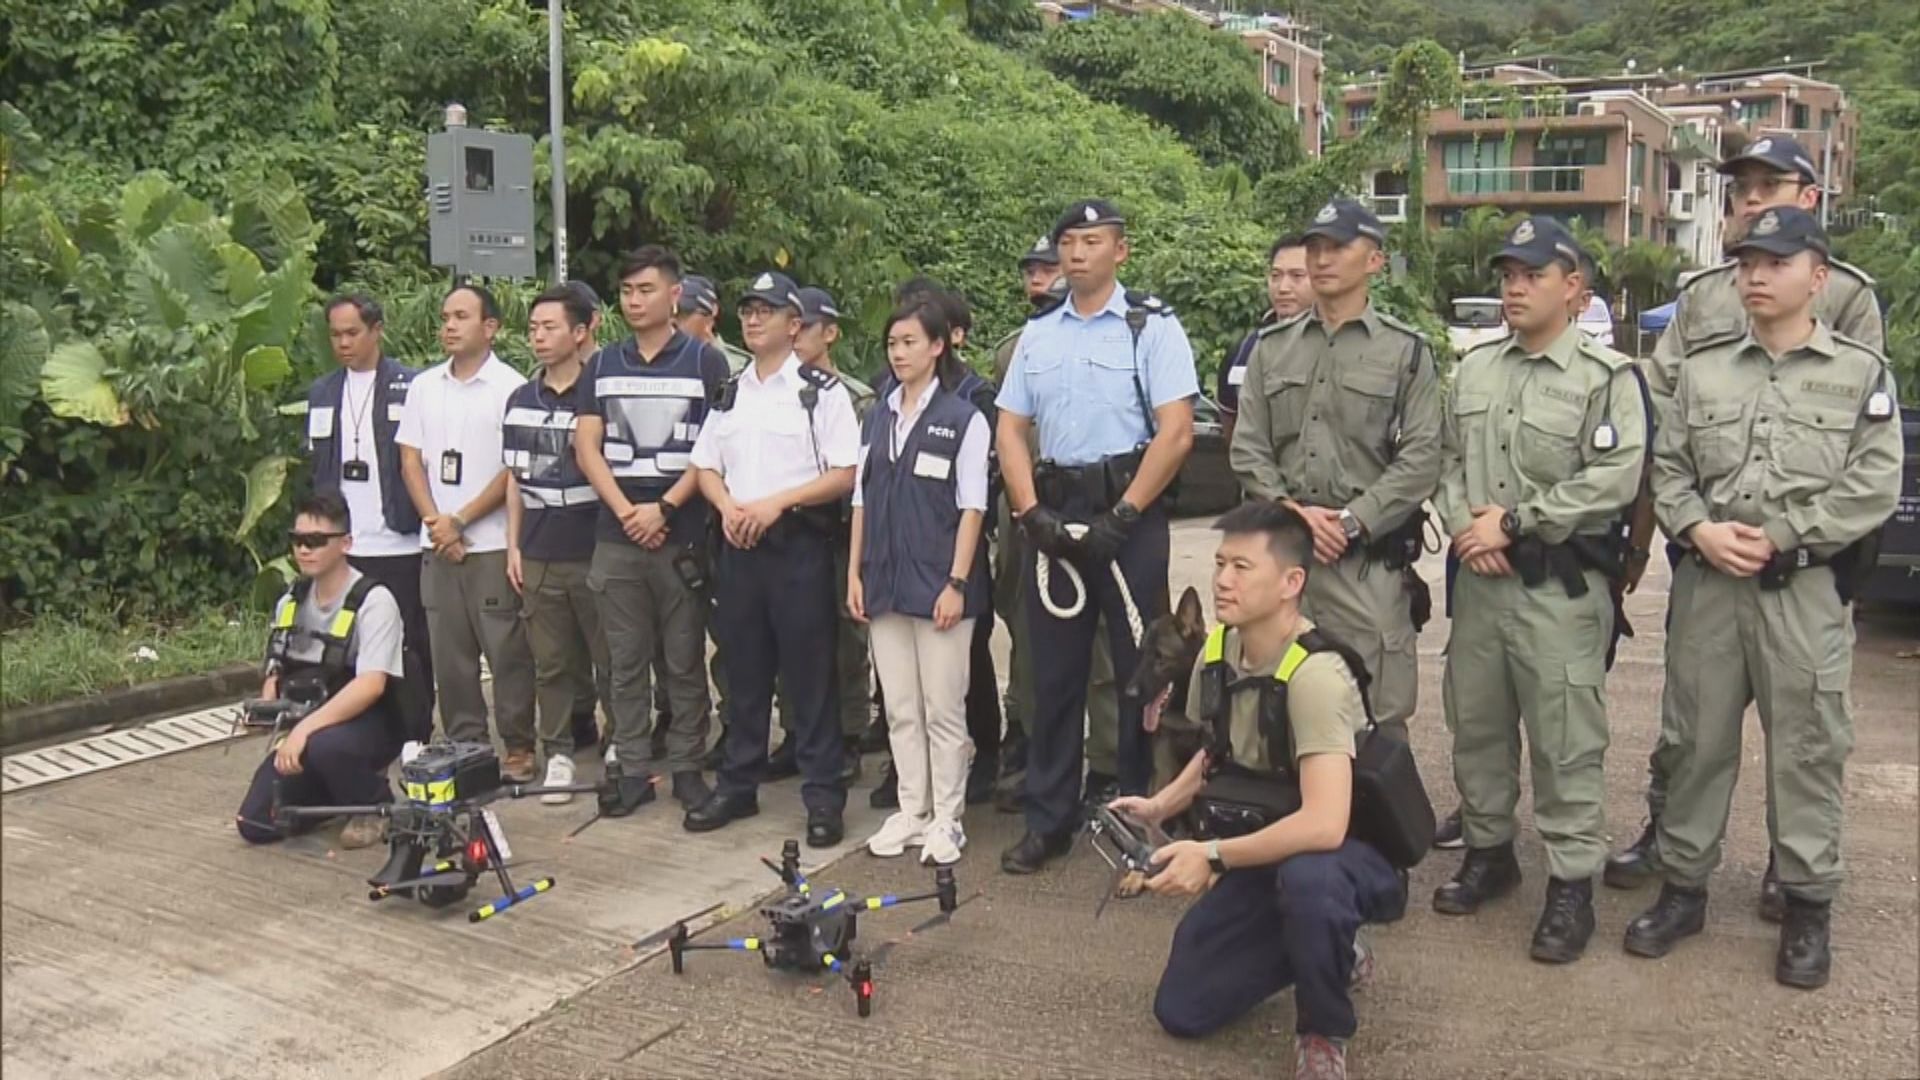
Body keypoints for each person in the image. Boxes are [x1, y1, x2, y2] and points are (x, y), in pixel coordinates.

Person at [1625, 207, 1900, 989]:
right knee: (1695, 741)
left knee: (1808, 746)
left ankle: (1807, 904)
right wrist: (1697, 529)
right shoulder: (1704, 369)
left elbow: (1874, 482)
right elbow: (1668, 467)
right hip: (1711, 584)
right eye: (1747, 262)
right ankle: (1684, 889)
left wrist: (1783, 533)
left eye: (1776, 262)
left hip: (1802, 590)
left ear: (1819, 277)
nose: (1755, 275)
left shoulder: (1859, 374)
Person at [1113, 501, 1404, 1080]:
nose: (1223, 580)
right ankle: (1319, 946)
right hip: (1270, 839)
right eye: (1220, 563)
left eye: (1242, 567)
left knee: (1311, 885)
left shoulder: (1316, 675)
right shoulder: (1218, 652)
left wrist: (1211, 855)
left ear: (1292, 582)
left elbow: (1325, 823)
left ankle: (1323, 1028)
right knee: (1182, 1008)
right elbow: (1217, 751)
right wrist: (1160, 805)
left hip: (1347, 853)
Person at [1428, 217, 1647, 964]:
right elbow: (1446, 460)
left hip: (1557, 590)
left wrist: (1517, 524)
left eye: (1532, 275)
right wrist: (1466, 527)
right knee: (1477, 728)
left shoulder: (1606, 379)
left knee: (1565, 742)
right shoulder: (1476, 370)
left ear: (1573, 286)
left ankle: (1571, 884)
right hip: (1481, 589)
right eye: (1507, 276)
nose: (1514, 288)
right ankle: (1489, 852)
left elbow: (1615, 477)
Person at [996, 197, 1199, 874]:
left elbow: (1176, 432)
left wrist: (1127, 514)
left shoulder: (1151, 326)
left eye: (1092, 241)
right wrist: (1030, 512)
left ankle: (1138, 816)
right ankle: (1047, 820)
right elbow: (1010, 429)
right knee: (1052, 675)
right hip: (1054, 515)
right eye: (1068, 242)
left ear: (1121, 250)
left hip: (1128, 515)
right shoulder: (1038, 333)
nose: (1077, 253)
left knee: (1141, 676)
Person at [1230, 198, 1440, 752]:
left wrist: (1349, 522)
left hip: (1363, 565)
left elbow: (1421, 459)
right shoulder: (1271, 349)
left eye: (1338, 248)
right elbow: (1248, 447)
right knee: (1267, 706)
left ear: (1374, 260)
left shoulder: (1406, 353)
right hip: (1283, 561)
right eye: (1315, 248)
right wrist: (1292, 514)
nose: (1322, 259)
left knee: (1374, 716)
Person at [686, 270, 861, 846]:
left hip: (797, 545)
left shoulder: (820, 392)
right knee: (744, 671)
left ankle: (823, 795)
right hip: (739, 547)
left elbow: (845, 472)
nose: (754, 319)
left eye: (767, 310)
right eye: (747, 310)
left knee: (810, 677)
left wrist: (776, 504)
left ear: (794, 324)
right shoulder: (731, 391)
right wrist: (727, 505)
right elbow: (705, 464)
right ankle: (738, 785)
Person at [574, 246, 732, 815]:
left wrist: (663, 509)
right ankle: (634, 769)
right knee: (623, 664)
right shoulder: (602, 365)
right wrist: (628, 512)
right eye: (626, 291)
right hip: (617, 537)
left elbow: (714, 448)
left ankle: (687, 767)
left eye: (646, 290)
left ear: (674, 295)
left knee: (683, 660)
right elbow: (586, 446)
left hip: (681, 536)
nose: (634, 301)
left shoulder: (705, 362)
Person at [848, 300, 992, 865]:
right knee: (901, 707)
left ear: (938, 346)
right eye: (892, 343)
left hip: (939, 586)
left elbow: (973, 507)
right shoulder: (877, 417)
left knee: (943, 708)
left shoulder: (963, 418)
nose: (899, 353)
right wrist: (854, 572)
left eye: (910, 342)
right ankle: (913, 809)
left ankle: (948, 817)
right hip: (884, 582)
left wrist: (957, 582)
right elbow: (861, 500)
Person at [395, 284, 539, 780]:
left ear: (490, 326)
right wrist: (437, 523)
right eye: (445, 317)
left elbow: (513, 469)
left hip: (490, 543)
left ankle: (518, 745)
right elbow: (410, 460)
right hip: (436, 544)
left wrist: (460, 521)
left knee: (507, 651)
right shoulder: (423, 386)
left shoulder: (512, 387)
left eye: (461, 316)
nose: (449, 326)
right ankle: (466, 746)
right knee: (449, 655)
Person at [236, 491, 409, 851]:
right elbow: (277, 663)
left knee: (325, 747)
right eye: (297, 540)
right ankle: (336, 794)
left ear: (345, 543)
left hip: (369, 721)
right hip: (309, 721)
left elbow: (372, 685)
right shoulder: (290, 600)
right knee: (255, 823)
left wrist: (303, 731)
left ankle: (373, 804)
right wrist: (269, 709)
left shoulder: (375, 601)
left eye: (315, 541)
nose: (304, 550)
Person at [305, 294, 433, 742]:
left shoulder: (410, 386)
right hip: (344, 542)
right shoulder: (322, 391)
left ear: (376, 330)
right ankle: (360, 731)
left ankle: (416, 733)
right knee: (346, 645)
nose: (343, 343)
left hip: (399, 540)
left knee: (409, 645)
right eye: (335, 335)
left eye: (352, 333)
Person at [502, 286, 611, 806]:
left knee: (611, 656)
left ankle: (621, 743)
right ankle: (559, 753)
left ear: (580, 332)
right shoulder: (521, 399)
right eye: (533, 328)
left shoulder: (600, 394)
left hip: (594, 545)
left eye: (550, 327)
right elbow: (515, 478)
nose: (539, 337)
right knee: (550, 663)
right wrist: (513, 545)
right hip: (539, 548)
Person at [767, 286, 873, 785]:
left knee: (847, 637)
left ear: (829, 333)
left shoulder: (855, 397)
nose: (797, 335)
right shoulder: (770, 389)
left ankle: (849, 734)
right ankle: (796, 730)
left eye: (806, 326)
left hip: (843, 530)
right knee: (791, 634)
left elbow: (866, 474)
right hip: (791, 530)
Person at [1219, 233, 1317, 446]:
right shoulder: (1244, 351)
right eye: (1276, 275)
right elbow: (1231, 425)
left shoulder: (1343, 345)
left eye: (1297, 276)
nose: (1283, 287)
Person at [676, 274, 751, 375]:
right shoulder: (657, 360)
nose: (673, 321)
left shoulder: (742, 366)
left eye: (684, 314)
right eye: (669, 314)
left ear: (713, 310)